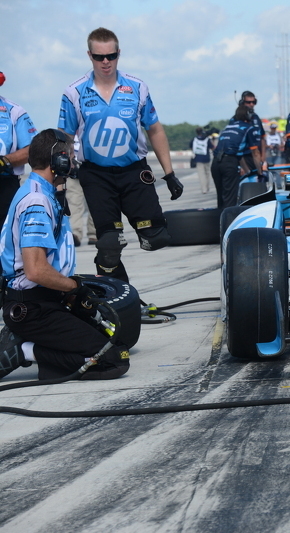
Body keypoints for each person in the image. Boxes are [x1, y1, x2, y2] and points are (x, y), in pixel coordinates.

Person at [0, 129, 129, 381]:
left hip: (46, 300)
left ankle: (29, 341)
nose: (73, 162)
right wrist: (75, 287)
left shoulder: (45, 192)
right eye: (70, 156)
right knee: (112, 360)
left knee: (117, 342)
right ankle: (24, 350)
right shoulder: (36, 202)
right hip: (33, 307)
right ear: (58, 160)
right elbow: (35, 270)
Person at [59, 27, 183, 283]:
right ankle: (117, 293)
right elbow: (65, 138)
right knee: (110, 243)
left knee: (157, 238)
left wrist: (169, 173)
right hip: (96, 175)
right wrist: (60, 182)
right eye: (99, 57)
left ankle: (143, 231)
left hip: (134, 171)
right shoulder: (74, 92)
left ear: (118, 54)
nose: (106, 62)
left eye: (111, 56)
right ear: (89, 55)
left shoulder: (138, 87)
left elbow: (155, 130)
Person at [0, 71, 37, 224]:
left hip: (5, 183)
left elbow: (33, 149)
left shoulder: (14, 111)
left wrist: (4, 161)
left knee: (7, 240)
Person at [212, 105, 262, 208]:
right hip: (229, 163)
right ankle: (229, 222)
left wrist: (246, 170)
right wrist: (260, 171)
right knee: (230, 198)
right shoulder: (248, 128)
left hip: (216, 162)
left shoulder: (228, 127)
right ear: (248, 116)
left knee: (221, 197)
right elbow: (255, 153)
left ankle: (219, 221)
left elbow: (239, 154)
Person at [234, 91, 266, 173]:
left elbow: (262, 137)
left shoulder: (256, 117)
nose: (251, 104)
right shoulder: (236, 119)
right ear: (242, 103)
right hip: (244, 156)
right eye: (248, 102)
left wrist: (263, 156)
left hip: (256, 155)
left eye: (254, 102)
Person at [190, 127, 213, 194]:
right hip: (206, 158)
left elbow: (191, 147)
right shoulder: (207, 139)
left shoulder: (194, 139)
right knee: (207, 173)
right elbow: (212, 147)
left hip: (198, 158)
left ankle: (204, 189)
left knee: (201, 175)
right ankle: (207, 187)